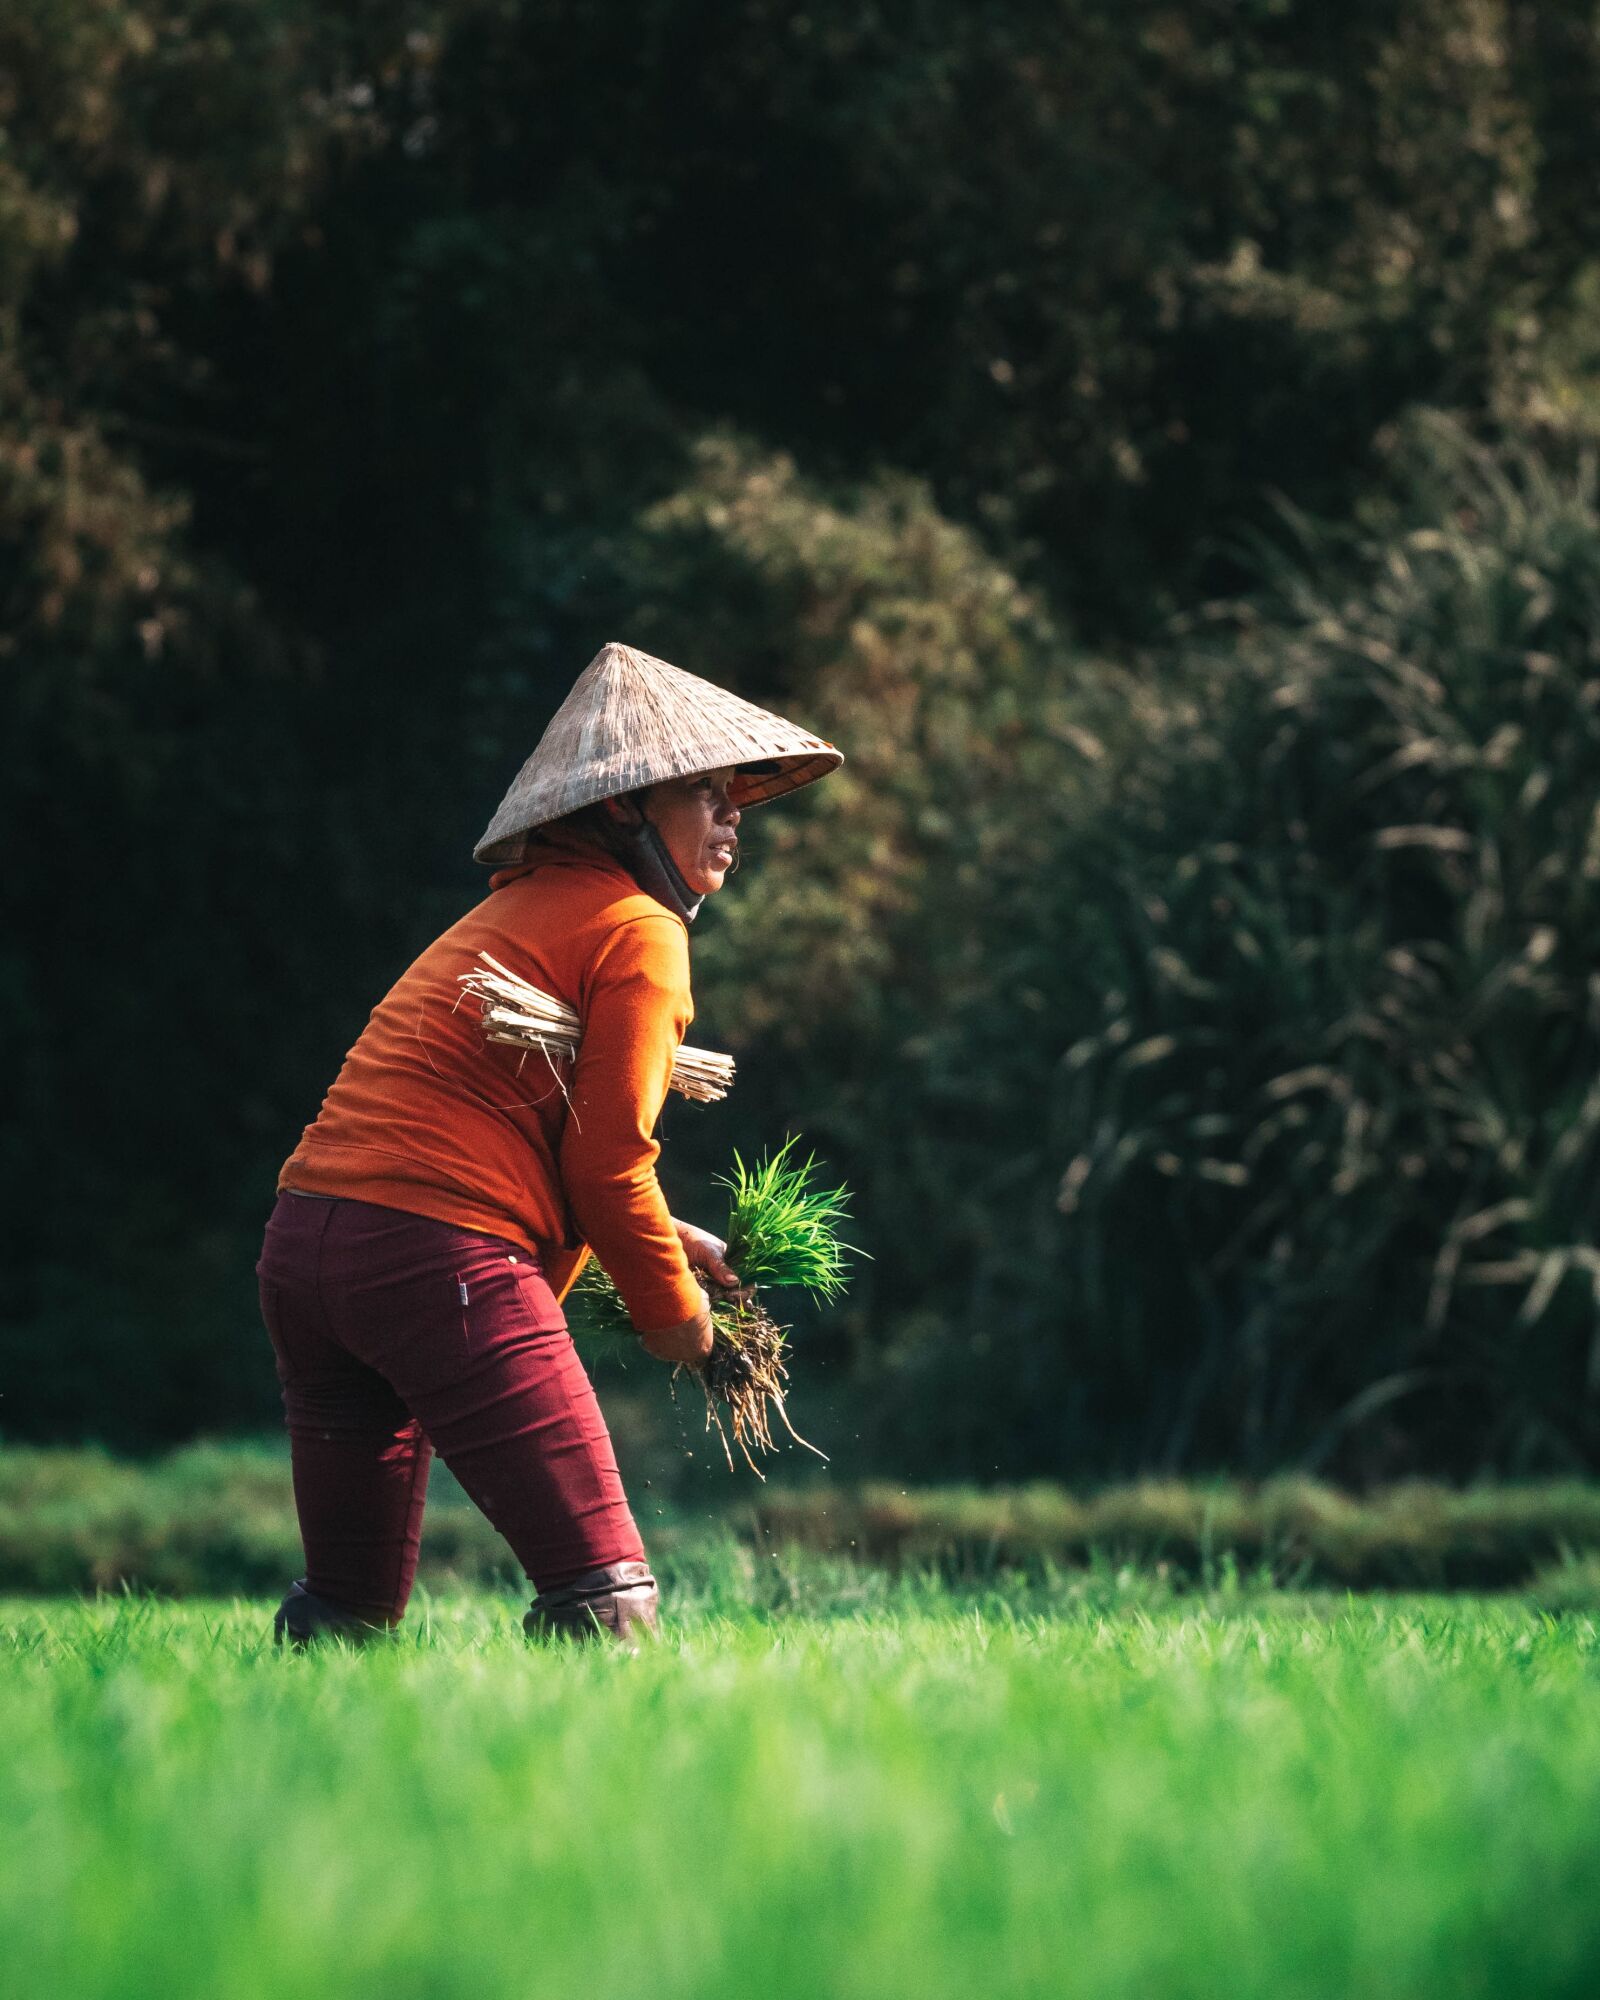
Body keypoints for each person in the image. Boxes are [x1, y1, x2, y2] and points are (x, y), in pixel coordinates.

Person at [257, 641, 841, 1645]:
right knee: (602, 1596)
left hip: (305, 1251)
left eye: (735, 794)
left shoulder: (512, 914)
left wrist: (667, 1236)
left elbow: (522, 1137)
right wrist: (681, 1320)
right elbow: (606, 1163)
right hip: (433, 1257)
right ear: (622, 807)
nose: (733, 814)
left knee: (346, 1610)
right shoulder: (641, 931)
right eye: (703, 793)